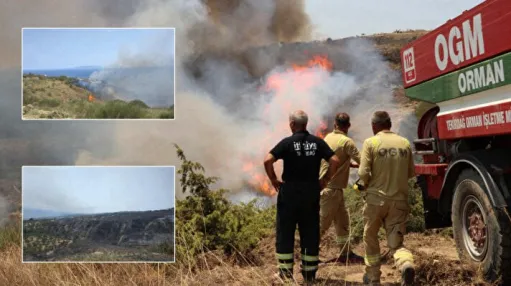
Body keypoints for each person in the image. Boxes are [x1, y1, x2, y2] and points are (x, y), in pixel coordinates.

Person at [264, 110, 340, 283]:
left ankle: (285, 274)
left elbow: (267, 160)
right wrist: (325, 180)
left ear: (292, 124)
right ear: (306, 124)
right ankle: (309, 275)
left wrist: (274, 180)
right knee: (310, 231)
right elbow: (335, 160)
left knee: (286, 232)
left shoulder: (287, 143)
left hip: (289, 193)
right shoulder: (317, 142)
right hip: (311, 192)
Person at [358, 111, 416, 285]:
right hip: (399, 201)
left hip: (375, 201)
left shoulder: (371, 142)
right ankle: (405, 263)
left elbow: (363, 173)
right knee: (396, 243)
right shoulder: (404, 143)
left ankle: (373, 277)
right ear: (390, 124)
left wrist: (365, 184)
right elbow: (411, 173)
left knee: (370, 237)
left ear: (374, 126)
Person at [318, 112, 364, 263]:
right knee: (321, 225)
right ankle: (308, 254)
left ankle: (346, 254)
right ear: (348, 125)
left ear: (335, 125)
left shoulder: (328, 138)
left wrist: (349, 164)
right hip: (331, 190)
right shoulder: (347, 142)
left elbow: (335, 160)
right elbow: (363, 160)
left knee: (342, 223)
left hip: (332, 189)